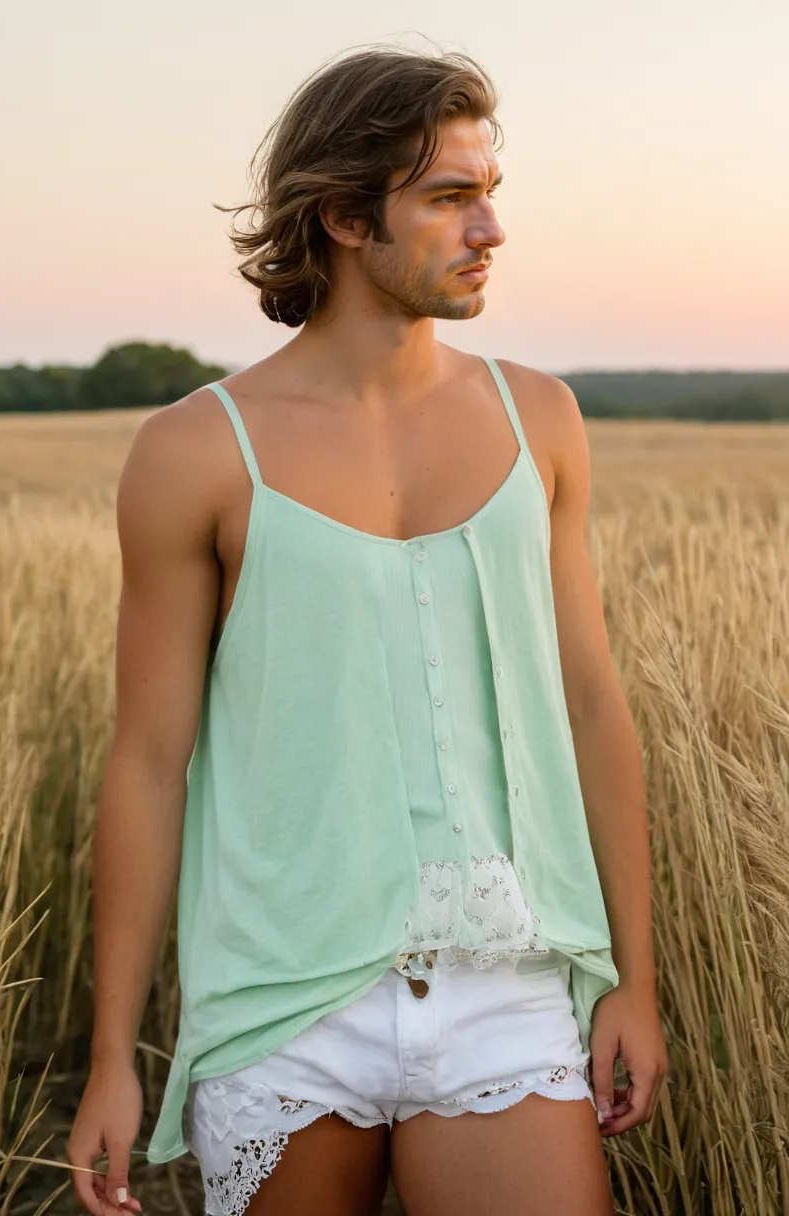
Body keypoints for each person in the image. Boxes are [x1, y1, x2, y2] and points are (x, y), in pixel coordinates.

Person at [67, 42, 667, 1216]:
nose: (489, 229)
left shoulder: (539, 419)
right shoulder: (193, 452)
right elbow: (147, 761)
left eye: (490, 194)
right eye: (450, 198)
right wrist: (107, 1062)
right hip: (280, 1001)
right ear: (344, 215)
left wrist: (631, 983)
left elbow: (595, 706)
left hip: (506, 985)